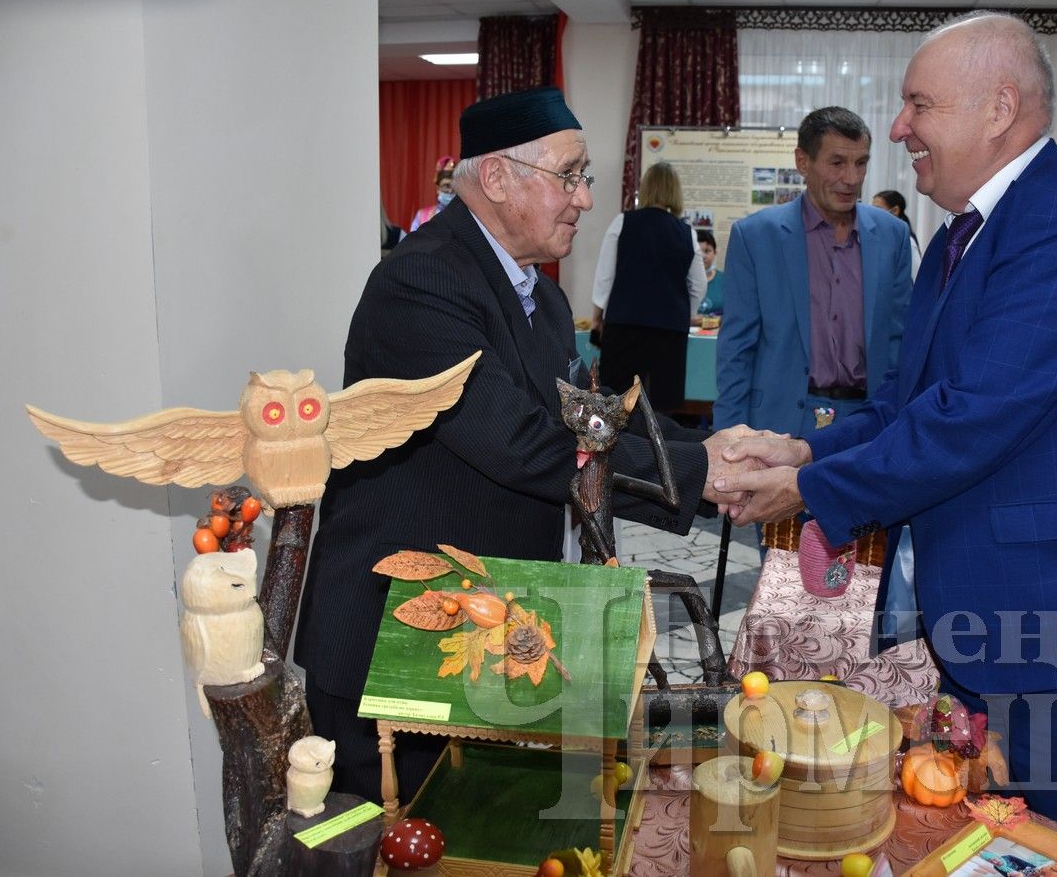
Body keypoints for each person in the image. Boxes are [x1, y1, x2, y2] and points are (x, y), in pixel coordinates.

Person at [713, 13, 1057, 874]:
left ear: (999, 108)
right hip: (995, 631)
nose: (898, 128)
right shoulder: (957, 237)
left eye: (918, 106)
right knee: (988, 848)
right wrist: (803, 454)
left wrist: (811, 493)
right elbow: (915, 403)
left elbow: (975, 415)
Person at [294, 87, 756, 803]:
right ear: (499, 177)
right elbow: (519, 443)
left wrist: (701, 448)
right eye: (568, 176)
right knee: (395, 834)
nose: (583, 198)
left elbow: (587, 422)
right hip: (398, 638)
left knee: (479, 826)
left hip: (487, 625)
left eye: (585, 177)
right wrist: (698, 474)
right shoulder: (421, 283)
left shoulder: (534, 296)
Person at [714, 106, 913, 440]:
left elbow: (900, 341)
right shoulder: (756, 236)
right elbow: (736, 349)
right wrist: (729, 437)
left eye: (861, 163)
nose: (851, 178)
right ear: (803, 162)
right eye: (837, 163)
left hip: (869, 426)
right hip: (778, 425)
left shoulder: (892, 236)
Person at [590, 161, 706, 414]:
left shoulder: (623, 222)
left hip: (624, 326)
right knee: (662, 407)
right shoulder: (687, 233)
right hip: (670, 333)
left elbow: (605, 277)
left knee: (617, 404)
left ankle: (619, 454)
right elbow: (698, 283)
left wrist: (597, 317)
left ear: (646, 188)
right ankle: (662, 453)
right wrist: (684, 311)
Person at [872, 189, 922, 279]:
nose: (873, 214)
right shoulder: (880, 237)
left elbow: (918, 277)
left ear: (895, 210)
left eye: (878, 209)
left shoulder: (907, 242)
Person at [407, 154, 456, 233]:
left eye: (454, 187)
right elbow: (413, 243)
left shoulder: (466, 216)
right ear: (438, 188)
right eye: (446, 186)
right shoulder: (422, 216)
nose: (450, 190)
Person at [692, 228, 724, 325]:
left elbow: (734, 314)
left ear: (715, 252)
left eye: (707, 251)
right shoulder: (680, 280)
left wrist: (708, 321)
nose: (702, 256)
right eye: (698, 251)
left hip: (716, 337)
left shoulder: (726, 281)